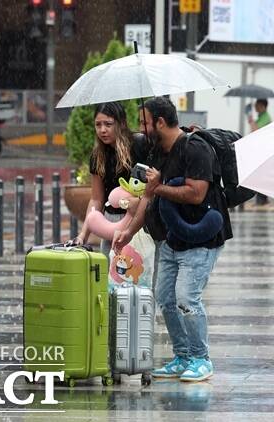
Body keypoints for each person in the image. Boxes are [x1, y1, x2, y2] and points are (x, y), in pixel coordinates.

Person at [113, 97, 232, 382]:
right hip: (169, 238)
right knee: (165, 298)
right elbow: (148, 197)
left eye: (144, 122)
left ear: (161, 122)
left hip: (200, 237)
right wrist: (129, 232)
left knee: (186, 299)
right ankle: (183, 356)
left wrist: (159, 186)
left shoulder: (195, 148)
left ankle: (202, 359)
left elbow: (196, 193)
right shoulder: (157, 151)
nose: (141, 128)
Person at [75, 101, 149, 256]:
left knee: (137, 273)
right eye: (98, 125)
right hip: (110, 221)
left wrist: (141, 200)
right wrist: (83, 235)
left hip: (137, 218)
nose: (102, 130)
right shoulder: (98, 156)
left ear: (121, 123)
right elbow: (96, 199)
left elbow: (153, 184)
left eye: (108, 124)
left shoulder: (139, 144)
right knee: (110, 275)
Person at [248, 98, 272, 205]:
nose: (255, 107)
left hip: (264, 150)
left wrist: (251, 121)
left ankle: (262, 200)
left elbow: (256, 131)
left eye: (257, 105)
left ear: (262, 105)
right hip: (261, 149)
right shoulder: (261, 117)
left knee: (261, 174)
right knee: (260, 174)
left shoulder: (265, 117)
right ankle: (261, 200)